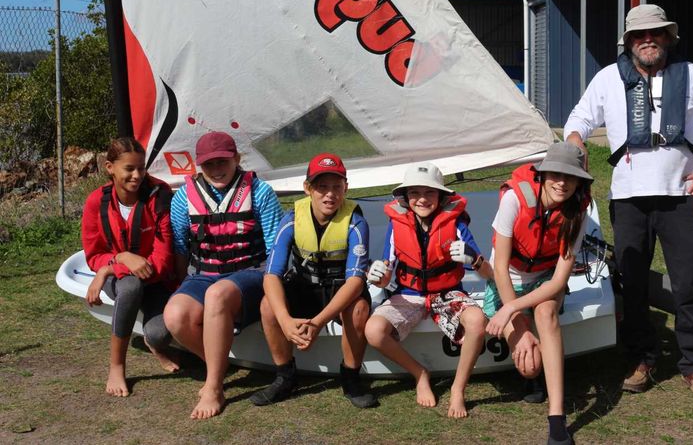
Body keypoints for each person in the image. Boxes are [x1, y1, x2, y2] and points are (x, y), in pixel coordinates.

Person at [564, 4, 693, 399]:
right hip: (629, 199)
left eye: (655, 33)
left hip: (680, 197)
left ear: (668, 37)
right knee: (633, 283)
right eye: (639, 35)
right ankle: (640, 358)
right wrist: (576, 141)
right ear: (628, 42)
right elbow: (578, 119)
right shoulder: (608, 78)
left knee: (689, 282)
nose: (648, 40)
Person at [162, 131, 283, 419]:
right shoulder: (183, 198)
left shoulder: (260, 192)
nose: (216, 169)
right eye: (209, 164)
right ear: (199, 166)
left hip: (251, 273)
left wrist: (277, 293)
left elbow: (276, 248)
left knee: (217, 295)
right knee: (175, 316)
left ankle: (214, 386)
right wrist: (179, 285)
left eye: (222, 162)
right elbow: (180, 247)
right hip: (204, 273)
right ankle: (219, 362)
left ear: (236, 159)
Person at [484, 142, 592, 445]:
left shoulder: (578, 212)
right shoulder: (514, 200)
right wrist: (517, 319)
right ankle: (534, 379)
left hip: (545, 279)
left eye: (571, 177)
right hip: (509, 279)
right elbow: (500, 268)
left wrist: (510, 311)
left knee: (546, 313)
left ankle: (557, 418)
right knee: (529, 366)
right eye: (556, 174)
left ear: (579, 183)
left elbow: (557, 282)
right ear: (542, 175)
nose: (562, 183)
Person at [250, 153, 377, 409]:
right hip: (304, 286)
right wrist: (285, 321)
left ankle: (351, 377)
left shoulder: (356, 222)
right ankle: (285, 376)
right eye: (322, 187)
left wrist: (318, 323)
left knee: (359, 309)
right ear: (308, 188)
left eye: (336, 187)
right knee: (268, 306)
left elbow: (355, 283)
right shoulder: (292, 218)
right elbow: (272, 274)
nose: (330, 195)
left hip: (340, 290)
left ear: (346, 188)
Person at [364, 163, 491, 419]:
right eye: (415, 192)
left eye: (429, 192)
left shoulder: (456, 224)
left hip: (447, 293)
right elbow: (386, 275)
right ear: (405, 196)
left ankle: (457, 389)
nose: (422, 199)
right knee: (373, 331)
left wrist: (474, 259)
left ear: (441, 196)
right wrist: (378, 276)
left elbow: (487, 272)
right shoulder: (397, 224)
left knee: (477, 321)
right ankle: (420, 373)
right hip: (408, 294)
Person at [81, 137, 179, 397]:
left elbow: (163, 259)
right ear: (110, 167)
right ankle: (117, 366)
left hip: (155, 278)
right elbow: (94, 255)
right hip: (122, 279)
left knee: (159, 335)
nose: (137, 176)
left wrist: (109, 269)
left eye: (141, 168)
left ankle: (152, 343)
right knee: (131, 286)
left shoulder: (159, 195)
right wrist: (121, 259)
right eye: (129, 169)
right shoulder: (97, 202)